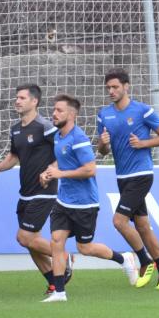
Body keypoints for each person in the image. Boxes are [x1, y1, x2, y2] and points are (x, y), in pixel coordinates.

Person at [40, 94, 138, 303]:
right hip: (63, 201)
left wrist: (61, 174)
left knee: (85, 248)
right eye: (54, 110)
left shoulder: (79, 138)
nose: (54, 114)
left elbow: (90, 169)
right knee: (57, 242)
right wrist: (48, 171)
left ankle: (124, 258)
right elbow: (61, 161)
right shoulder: (58, 136)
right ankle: (59, 292)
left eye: (59, 110)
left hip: (85, 204)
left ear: (72, 114)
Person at [0, 84, 72, 295]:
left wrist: (50, 171)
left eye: (22, 98)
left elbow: (62, 153)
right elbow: (13, 156)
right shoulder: (15, 129)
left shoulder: (45, 126)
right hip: (25, 193)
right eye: (17, 97)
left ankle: (62, 255)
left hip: (44, 191)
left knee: (24, 237)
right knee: (30, 242)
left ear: (34, 102)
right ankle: (54, 281)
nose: (17, 101)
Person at [97, 68, 159, 290]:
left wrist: (143, 144)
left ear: (126, 86)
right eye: (108, 88)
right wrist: (103, 143)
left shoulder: (142, 111)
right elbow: (103, 152)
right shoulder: (104, 114)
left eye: (115, 87)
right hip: (122, 176)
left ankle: (144, 260)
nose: (111, 91)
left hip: (141, 175)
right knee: (142, 226)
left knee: (119, 221)